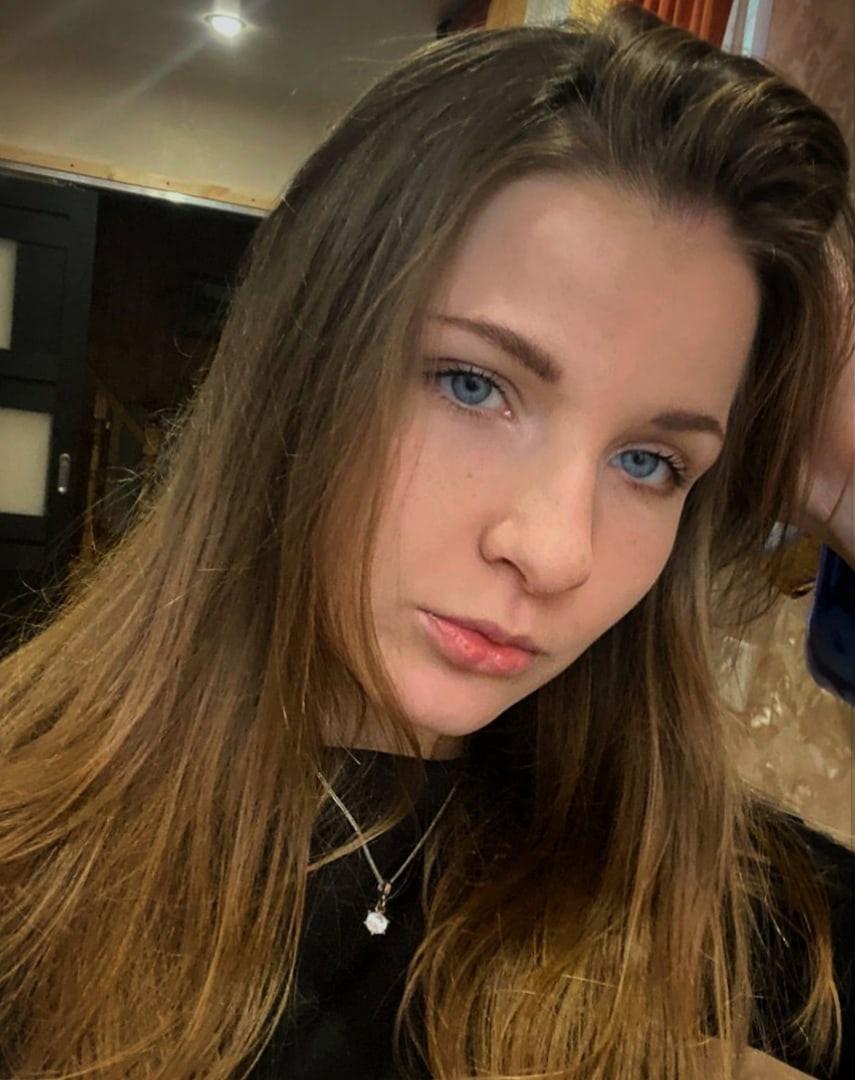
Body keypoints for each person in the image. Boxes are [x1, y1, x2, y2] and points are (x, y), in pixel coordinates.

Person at [0, 4, 853, 1078]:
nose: (555, 552)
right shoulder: (27, 834)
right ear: (302, 360)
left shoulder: (710, 903)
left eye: (650, 462)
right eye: (472, 384)